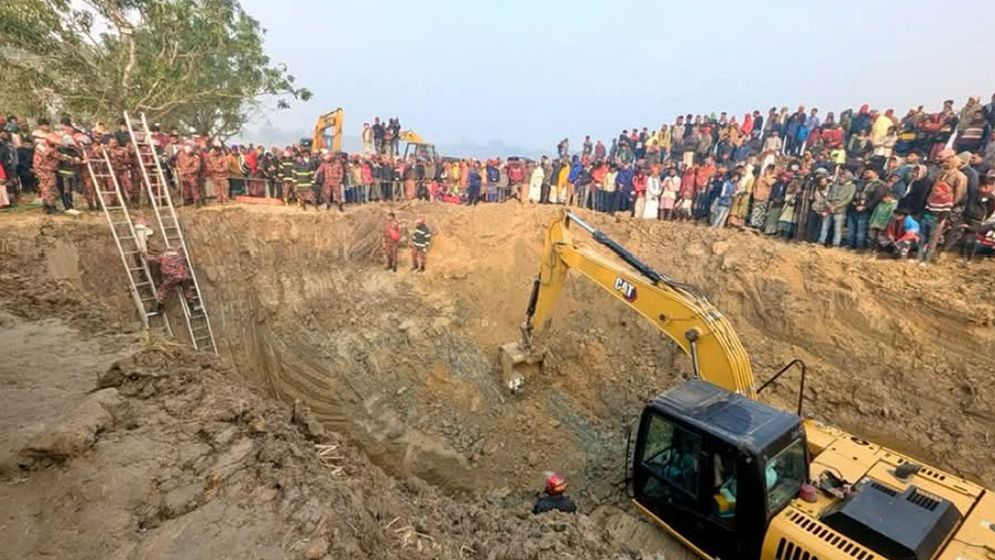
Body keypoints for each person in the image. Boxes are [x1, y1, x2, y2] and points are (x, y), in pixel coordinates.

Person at [144, 247, 198, 313]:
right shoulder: (179, 256)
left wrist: (144, 254)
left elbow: (151, 259)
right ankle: (190, 302)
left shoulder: (164, 256)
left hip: (174, 277)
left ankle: (160, 305)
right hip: (184, 275)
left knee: (163, 289)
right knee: (186, 289)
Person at [175, 141, 203, 206]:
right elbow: (177, 163)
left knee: (194, 189)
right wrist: (179, 170)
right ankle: (186, 201)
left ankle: (197, 202)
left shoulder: (195, 156)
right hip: (183, 176)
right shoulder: (180, 154)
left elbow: (196, 168)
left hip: (192, 176)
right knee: (184, 189)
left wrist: (186, 172)